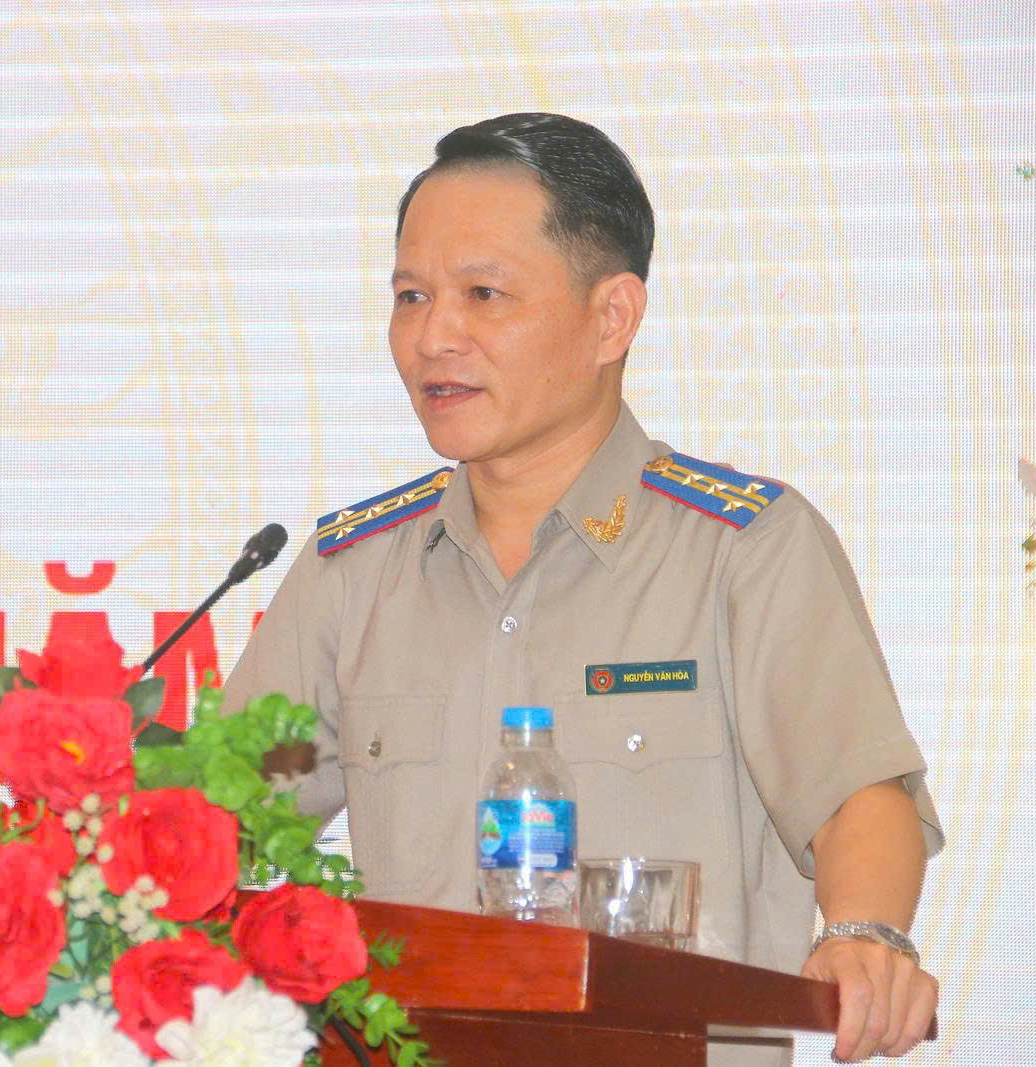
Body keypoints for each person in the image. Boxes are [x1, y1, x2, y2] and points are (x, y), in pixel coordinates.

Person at [222, 113, 942, 1064]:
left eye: (483, 294)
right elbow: (211, 821)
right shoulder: (349, 572)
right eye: (410, 296)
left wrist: (866, 933)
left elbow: (857, 797)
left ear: (612, 317)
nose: (433, 336)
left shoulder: (741, 549)